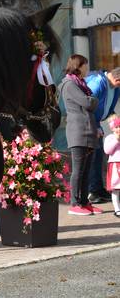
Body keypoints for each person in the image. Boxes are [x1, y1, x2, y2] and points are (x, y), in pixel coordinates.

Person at [58, 55, 101, 216]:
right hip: (78, 132)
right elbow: (88, 103)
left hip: (87, 131)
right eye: (85, 66)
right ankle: (75, 203)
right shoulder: (70, 84)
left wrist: (92, 100)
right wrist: (93, 99)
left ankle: (84, 202)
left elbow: (89, 102)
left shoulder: (80, 83)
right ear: (78, 66)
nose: (87, 69)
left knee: (86, 170)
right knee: (78, 170)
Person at [85, 66, 120, 203]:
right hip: (88, 123)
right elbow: (86, 106)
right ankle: (92, 192)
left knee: (99, 156)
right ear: (117, 80)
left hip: (97, 122)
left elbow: (109, 109)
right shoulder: (98, 82)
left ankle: (98, 189)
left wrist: (115, 120)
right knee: (93, 157)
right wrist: (94, 127)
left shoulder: (115, 88)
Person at [103, 115, 120, 218]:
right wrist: (116, 140)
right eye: (116, 127)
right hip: (114, 165)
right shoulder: (110, 138)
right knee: (115, 189)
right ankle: (117, 209)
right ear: (112, 128)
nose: (118, 129)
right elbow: (107, 150)